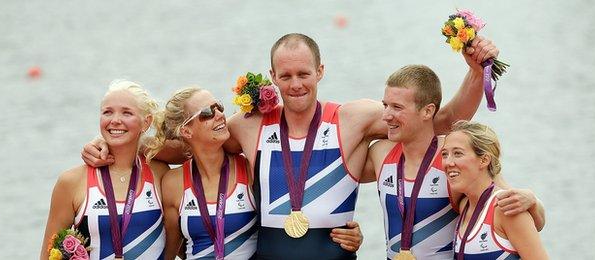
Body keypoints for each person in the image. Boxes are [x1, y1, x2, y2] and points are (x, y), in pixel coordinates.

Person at [83, 33, 493, 259]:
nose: (296, 84)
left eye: (304, 73)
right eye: (286, 75)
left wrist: (475, 73)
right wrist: (112, 147)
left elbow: (439, 120)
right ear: (272, 77)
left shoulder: (353, 118)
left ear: (320, 71)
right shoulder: (247, 126)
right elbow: (185, 145)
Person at [361, 65, 545, 259]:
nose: (386, 116)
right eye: (385, 105)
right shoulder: (380, 152)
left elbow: (510, 205)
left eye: (397, 107)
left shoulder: (455, 158)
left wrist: (533, 201)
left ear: (427, 111)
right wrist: (352, 232)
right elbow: (343, 177)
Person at [40, 80, 169, 259]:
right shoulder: (71, 182)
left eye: (127, 112)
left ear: (146, 122)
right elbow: (47, 256)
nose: (115, 120)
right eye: (107, 112)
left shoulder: (160, 174)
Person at [147, 86, 258, 259]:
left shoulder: (248, 169)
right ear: (186, 131)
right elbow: (170, 250)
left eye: (219, 107)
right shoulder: (173, 183)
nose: (220, 115)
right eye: (208, 112)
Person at [442, 120, 548, 259]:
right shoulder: (465, 205)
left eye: (458, 153)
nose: (448, 162)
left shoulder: (506, 208)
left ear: (484, 160)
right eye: (444, 154)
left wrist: (534, 201)